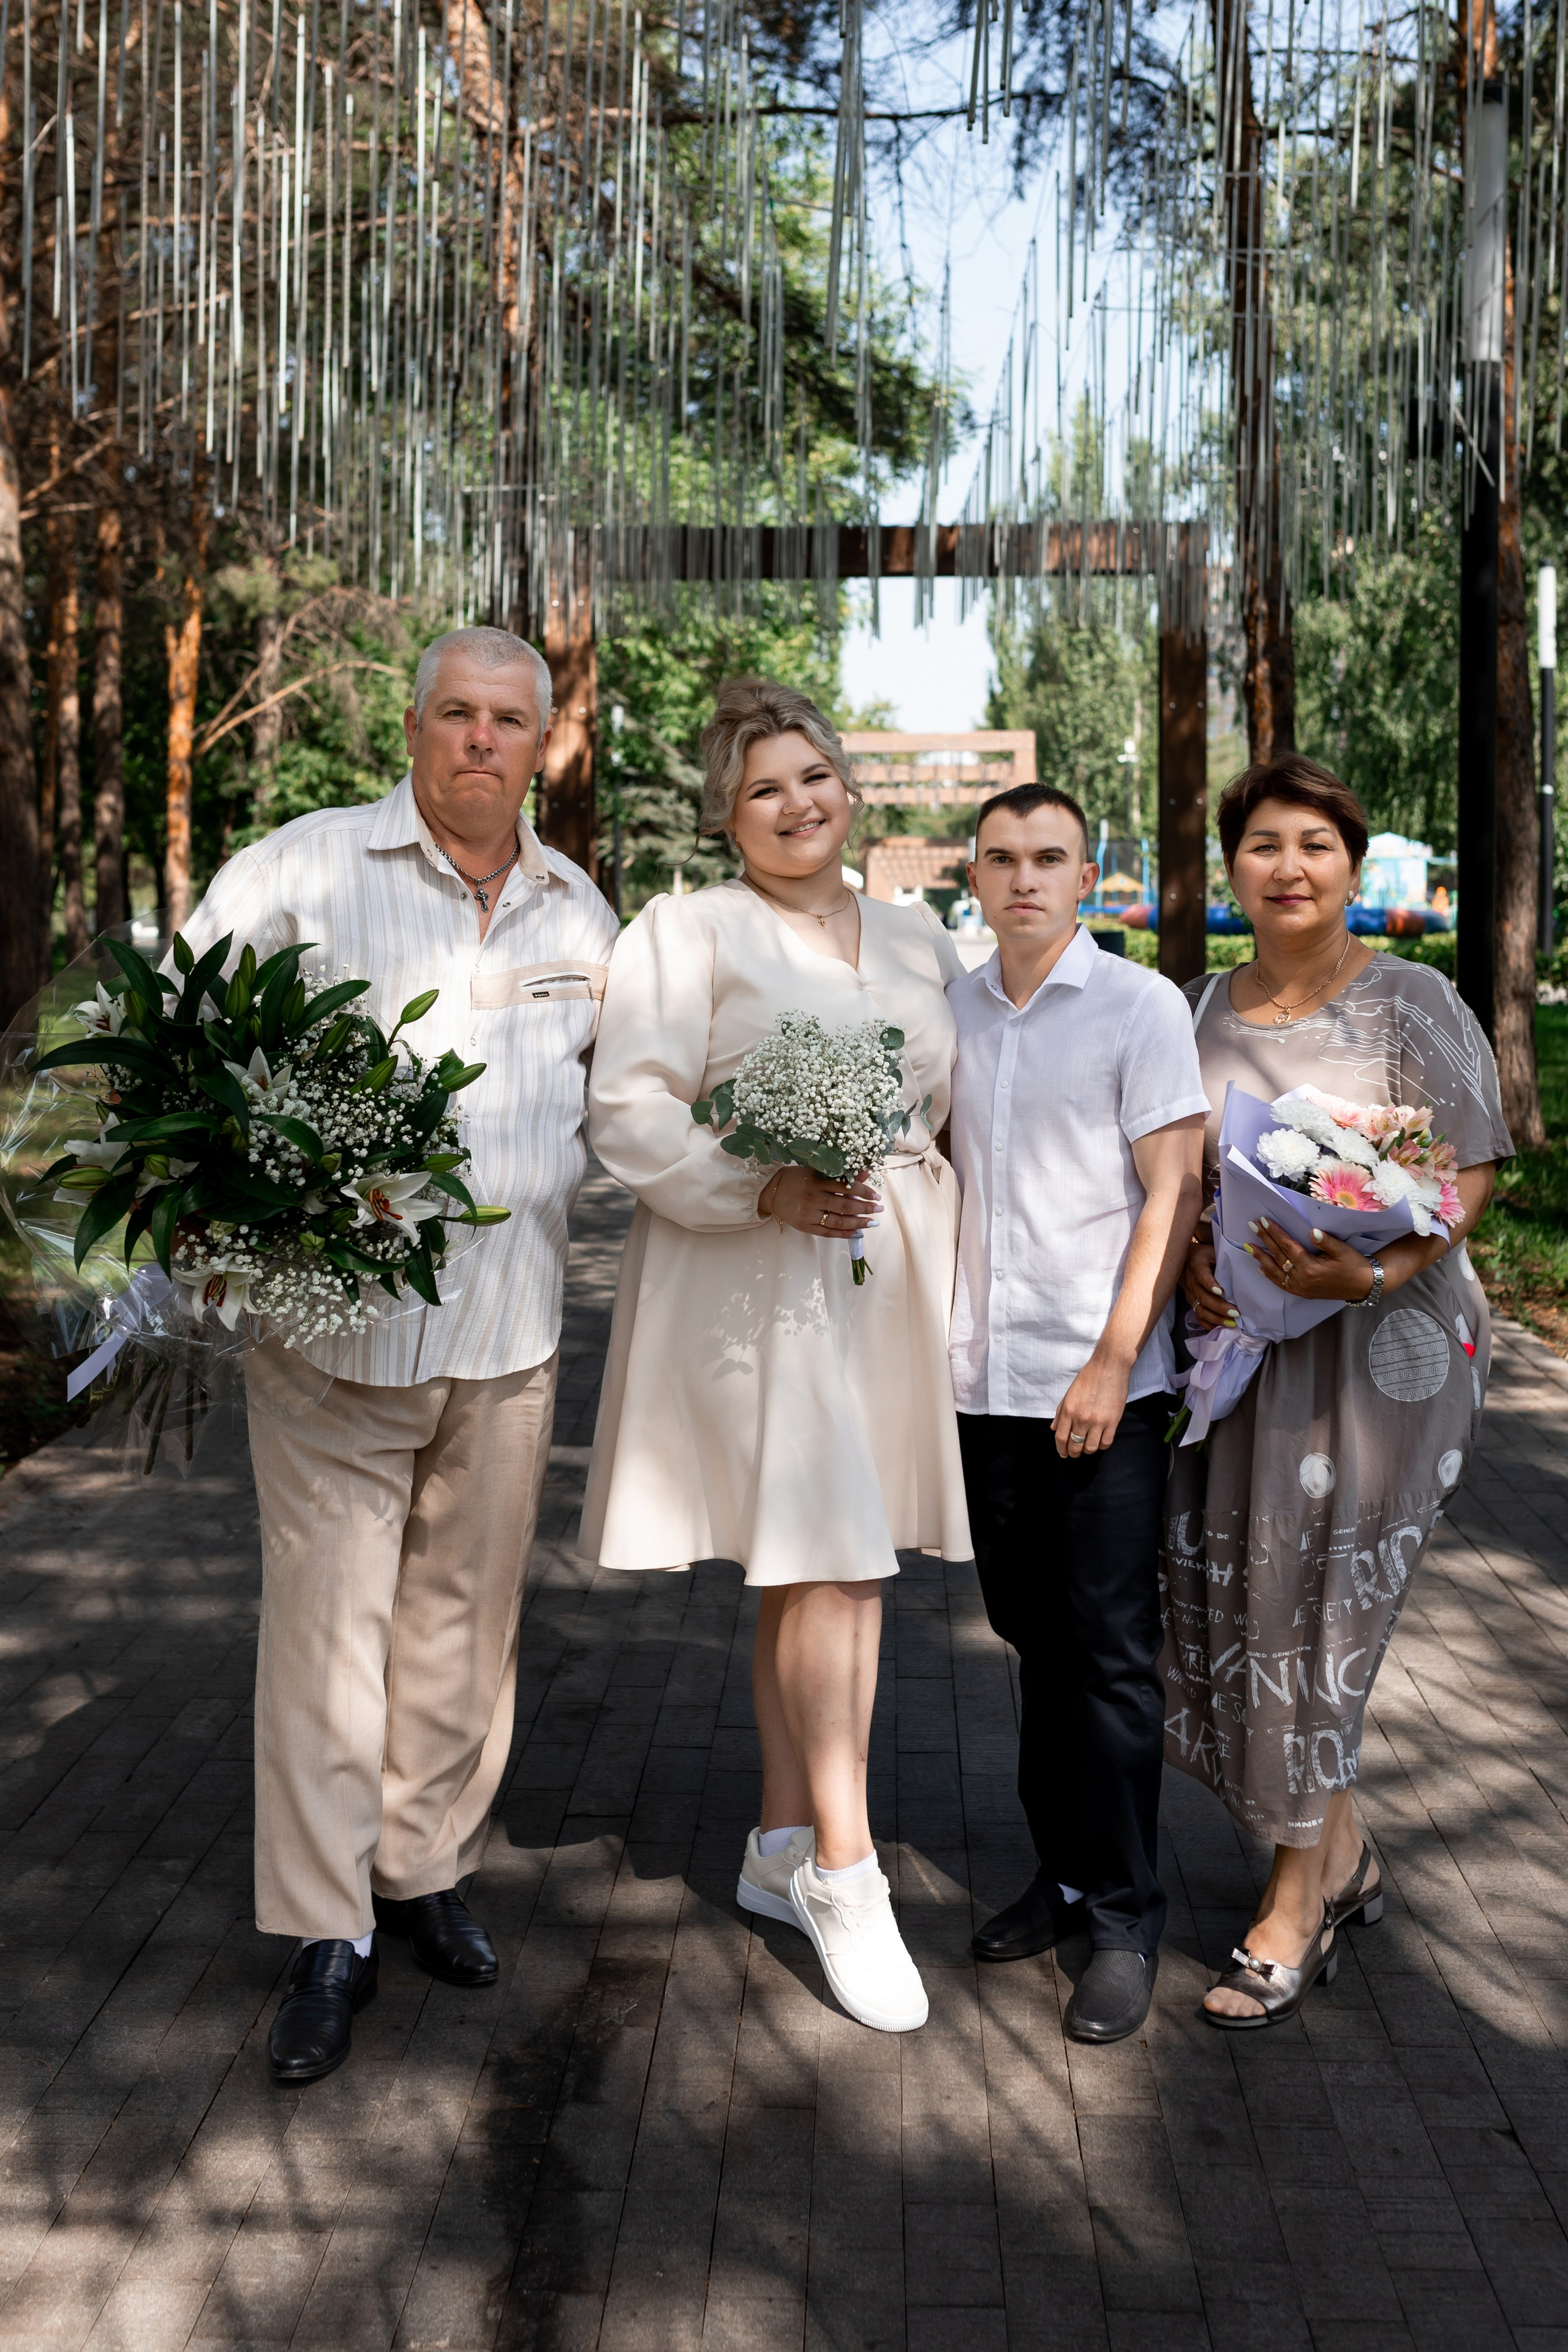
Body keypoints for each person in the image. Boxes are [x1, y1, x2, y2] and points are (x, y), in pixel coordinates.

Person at [176, 626, 620, 2084]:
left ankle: (420, 1867)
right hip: (328, 1338)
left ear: (545, 743)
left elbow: (630, 1113)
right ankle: (323, 1930)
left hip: (509, 1336)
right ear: (412, 724)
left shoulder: (578, 913)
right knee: (327, 1629)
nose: (482, 741)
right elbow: (176, 1064)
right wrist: (219, 1239)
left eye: (509, 719)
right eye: (456, 714)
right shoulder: (298, 872)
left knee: (461, 1627)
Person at [580, 677, 971, 2034]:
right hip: (761, 1271)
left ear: (846, 787)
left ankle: (768, 1847)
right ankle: (846, 1872)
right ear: (725, 816)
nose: (795, 803)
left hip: (888, 1273)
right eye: (762, 788)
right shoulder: (683, 931)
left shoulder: (920, 932)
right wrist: (762, 1187)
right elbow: (624, 1110)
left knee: (818, 1565)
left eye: (811, 776)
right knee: (832, 1563)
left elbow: (951, 1107)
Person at [1163, 756, 1511, 2027]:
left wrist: (1370, 1272)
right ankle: (1346, 1856)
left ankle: (1291, 1905)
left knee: (1321, 1613)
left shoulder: (1409, 1000)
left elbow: (1469, 1173)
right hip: (1242, 1360)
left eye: (1313, 843)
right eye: (1262, 843)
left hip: (1383, 1354)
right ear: (1232, 867)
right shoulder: (1193, 1005)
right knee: (1242, 1605)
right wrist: (1197, 1270)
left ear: (1350, 868)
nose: (1288, 866)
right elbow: (1176, 1181)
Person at [947, 784, 1208, 2045]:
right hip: (978, 1385)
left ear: (1084, 871)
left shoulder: (1136, 1006)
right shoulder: (946, 1006)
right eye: (999, 858)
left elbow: (1171, 1190)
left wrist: (1113, 1356)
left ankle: (1121, 1917)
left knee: (1106, 1655)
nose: (1023, 879)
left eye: (1047, 857)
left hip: (1095, 1388)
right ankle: (1056, 1882)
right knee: (1029, 1642)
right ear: (973, 871)